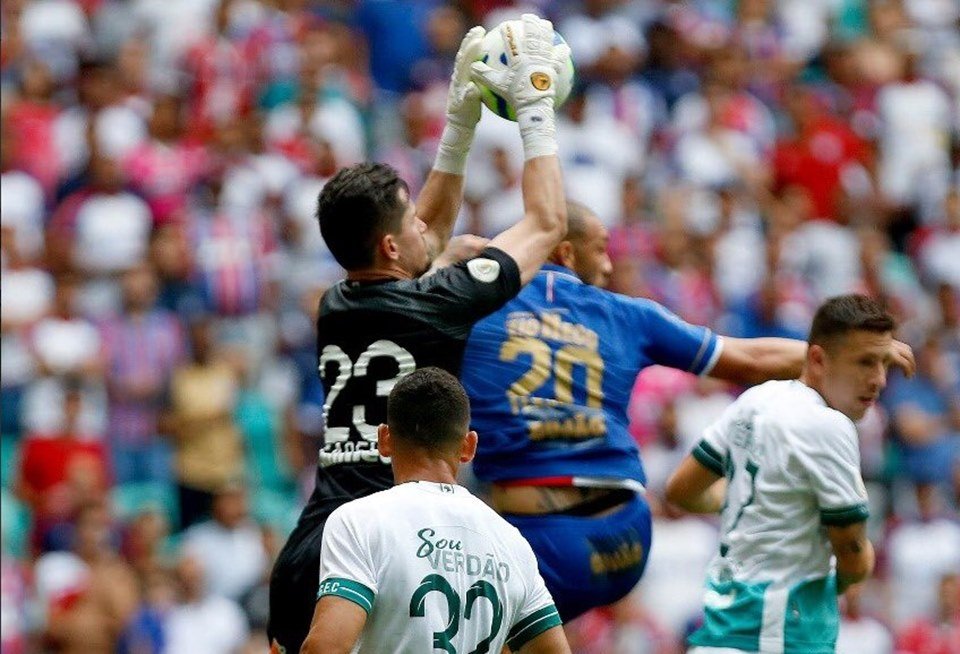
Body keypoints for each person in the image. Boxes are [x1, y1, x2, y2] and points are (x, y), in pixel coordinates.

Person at [268, 15, 572, 652]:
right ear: (388, 244)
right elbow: (546, 223)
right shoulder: (437, 301)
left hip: (313, 539)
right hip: (398, 538)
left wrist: (460, 121)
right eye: (407, 223)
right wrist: (535, 108)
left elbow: (423, 238)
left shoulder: (336, 302)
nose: (424, 230)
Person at [459, 203, 915, 621]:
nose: (610, 264)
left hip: (542, 537)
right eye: (601, 249)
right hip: (627, 538)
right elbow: (751, 359)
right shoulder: (629, 314)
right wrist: (842, 354)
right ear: (565, 253)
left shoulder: (472, 307)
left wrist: (461, 254)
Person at [665, 294, 895, 654]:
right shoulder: (828, 425)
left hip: (725, 632)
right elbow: (852, 556)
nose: (879, 380)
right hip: (777, 635)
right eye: (865, 363)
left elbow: (681, 490)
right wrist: (856, 566)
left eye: (884, 363)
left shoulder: (755, 400)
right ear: (818, 359)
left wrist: (746, 500)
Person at [300, 367, 570, 653]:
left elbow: (324, 648)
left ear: (384, 440)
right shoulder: (512, 542)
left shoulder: (360, 521)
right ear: (469, 446)